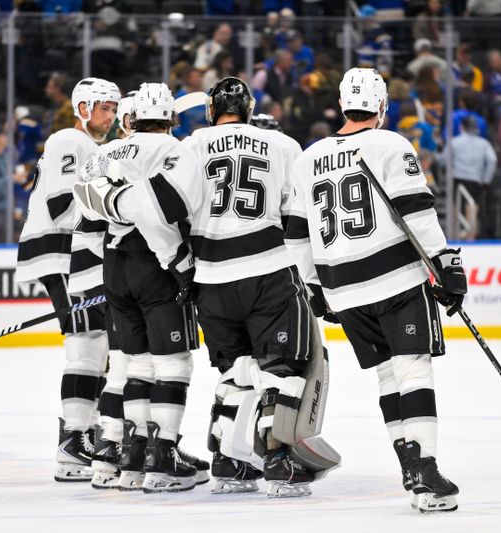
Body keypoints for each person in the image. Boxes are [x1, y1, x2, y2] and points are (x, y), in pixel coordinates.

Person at [74, 76, 339, 498]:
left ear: (211, 111)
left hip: (209, 276)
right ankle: (277, 460)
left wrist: (175, 259)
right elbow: (301, 216)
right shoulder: (284, 146)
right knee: (284, 368)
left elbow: (161, 208)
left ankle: (229, 462)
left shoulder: (190, 146)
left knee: (234, 370)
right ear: (250, 110)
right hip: (267, 270)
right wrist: (315, 278)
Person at [285, 67, 465, 513]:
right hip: (396, 280)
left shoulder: (307, 158)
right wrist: (445, 266)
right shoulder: (391, 143)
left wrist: (313, 286)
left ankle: (409, 465)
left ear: (344, 104)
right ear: (381, 107)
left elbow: (294, 234)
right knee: (413, 370)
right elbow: (416, 212)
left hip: (343, 289)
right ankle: (424, 470)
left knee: (388, 376)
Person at [76, 83, 209, 492]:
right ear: (170, 118)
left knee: (134, 364)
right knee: (173, 365)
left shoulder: (103, 153)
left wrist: (118, 207)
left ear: (130, 119)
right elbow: (161, 214)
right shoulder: (173, 151)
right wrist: (180, 264)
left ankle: (132, 456)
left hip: (114, 265)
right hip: (155, 265)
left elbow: (87, 213)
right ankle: (161, 456)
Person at [15, 77, 120, 483]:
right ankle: (74, 439)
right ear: (82, 109)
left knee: (97, 340)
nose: (109, 117)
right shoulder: (67, 141)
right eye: (103, 108)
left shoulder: (90, 147)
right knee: (87, 342)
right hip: (60, 250)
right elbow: (62, 199)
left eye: (113, 109)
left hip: (75, 254)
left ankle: (80, 437)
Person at [445, 116, 497, 240]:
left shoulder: (454, 142)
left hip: (457, 179)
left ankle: (453, 236)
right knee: (472, 208)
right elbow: (492, 159)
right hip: (475, 181)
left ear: (462, 127)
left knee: (455, 207)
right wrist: (486, 180)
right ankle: (471, 239)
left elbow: (444, 159)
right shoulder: (484, 143)